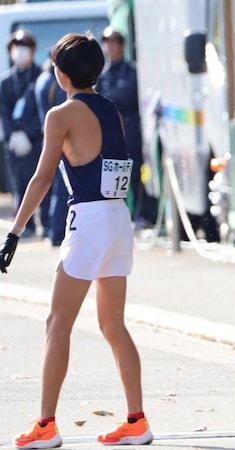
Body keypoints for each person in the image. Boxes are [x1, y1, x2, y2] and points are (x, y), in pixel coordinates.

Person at [0, 33, 153, 448]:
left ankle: (46, 426)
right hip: (118, 218)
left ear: (61, 75)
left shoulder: (61, 114)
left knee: (57, 324)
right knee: (113, 324)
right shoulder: (112, 109)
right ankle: (136, 421)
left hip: (88, 219)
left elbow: (42, 177)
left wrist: (14, 231)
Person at [95, 27, 157, 229]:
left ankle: (142, 214)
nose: (110, 47)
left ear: (122, 46)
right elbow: (100, 98)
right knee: (113, 176)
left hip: (132, 132)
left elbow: (126, 95)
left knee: (137, 176)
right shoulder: (103, 74)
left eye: (114, 43)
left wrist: (110, 97)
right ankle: (119, 216)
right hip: (110, 134)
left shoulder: (131, 71)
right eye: (107, 43)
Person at [0, 30, 46, 238]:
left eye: (24, 47)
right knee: (18, 184)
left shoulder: (41, 76)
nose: (19, 52)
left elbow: (43, 109)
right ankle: (26, 226)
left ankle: (47, 223)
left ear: (33, 51)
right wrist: (13, 135)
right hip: (14, 143)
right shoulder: (6, 81)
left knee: (42, 180)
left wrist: (29, 133)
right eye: (15, 48)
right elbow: (4, 112)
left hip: (37, 140)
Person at [34, 58, 68, 246]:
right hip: (60, 140)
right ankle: (56, 233)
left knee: (52, 187)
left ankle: (51, 230)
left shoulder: (41, 81)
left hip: (48, 138)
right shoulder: (52, 84)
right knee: (61, 189)